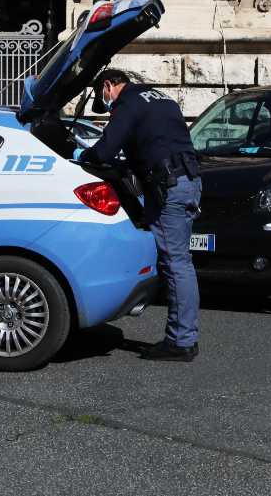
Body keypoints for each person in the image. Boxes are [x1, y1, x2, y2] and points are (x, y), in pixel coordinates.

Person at [75, 68, 203, 362]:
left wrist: (85, 156)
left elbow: (106, 151)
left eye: (102, 96)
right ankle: (184, 336)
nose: (105, 104)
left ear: (108, 85)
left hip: (169, 185)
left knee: (177, 263)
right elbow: (156, 141)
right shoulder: (161, 98)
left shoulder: (127, 103)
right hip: (188, 180)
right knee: (180, 261)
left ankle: (182, 342)